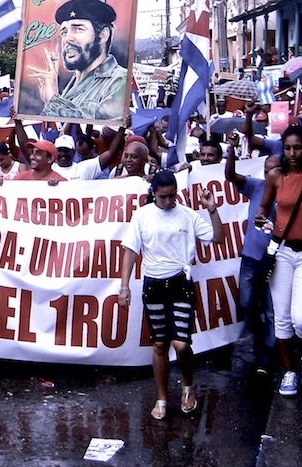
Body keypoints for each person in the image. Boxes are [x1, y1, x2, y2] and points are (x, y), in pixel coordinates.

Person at [119, 170, 225, 419]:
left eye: (172, 196)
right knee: (159, 344)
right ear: (153, 193)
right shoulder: (142, 215)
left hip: (180, 283)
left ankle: (188, 385)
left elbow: (218, 238)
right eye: (163, 197)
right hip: (153, 285)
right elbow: (131, 251)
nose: (168, 202)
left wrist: (211, 209)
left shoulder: (188, 215)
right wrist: (124, 287)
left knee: (181, 343)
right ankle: (162, 398)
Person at [256, 125, 302, 398]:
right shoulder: (276, 176)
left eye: (298, 147)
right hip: (282, 252)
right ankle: (289, 370)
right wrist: (262, 218)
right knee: (282, 319)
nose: (292, 153)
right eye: (287, 148)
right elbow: (264, 207)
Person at [226, 131, 280, 375]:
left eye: (275, 169)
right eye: (267, 169)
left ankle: (267, 357)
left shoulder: (290, 191)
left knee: (272, 309)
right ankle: (260, 338)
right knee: (247, 302)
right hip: (252, 257)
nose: (270, 173)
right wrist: (231, 150)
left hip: (278, 261)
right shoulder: (255, 186)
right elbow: (230, 175)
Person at [27, 0, 128, 120]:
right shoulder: (70, 85)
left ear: (103, 35)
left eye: (78, 29)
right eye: (64, 32)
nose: (68, 38)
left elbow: (99, 131)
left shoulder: (120, 80)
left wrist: (53, 100)